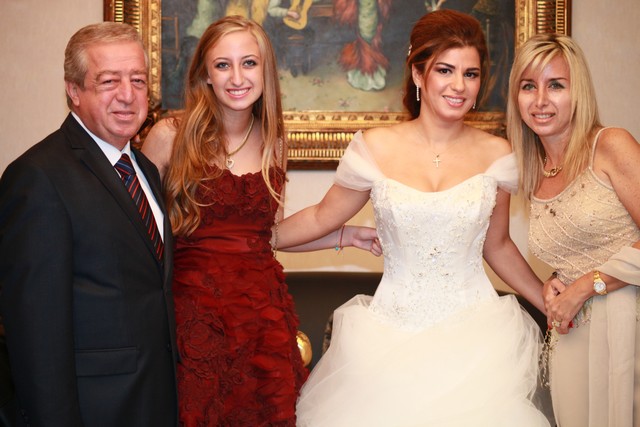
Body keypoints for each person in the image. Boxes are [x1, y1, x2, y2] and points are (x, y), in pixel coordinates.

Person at [273, 9, 551, 426]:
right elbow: (320, 217)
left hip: (476, 341)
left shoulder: (499, 155)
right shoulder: (374, 148)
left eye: (471, 74)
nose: (459, 86)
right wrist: (256, 237)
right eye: (445, 70)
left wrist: (548, 301)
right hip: (388, 337)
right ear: (418, 74)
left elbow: (497, 245)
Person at [141, 15, 378, 426]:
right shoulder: (169, 136)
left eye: (248, 63)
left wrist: (346, 235)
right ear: (206, 74)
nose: (237, 77)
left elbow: (267, 236)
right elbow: (135, 233)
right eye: (223, 65)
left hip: (260, 320)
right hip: (190, 319)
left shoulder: (275, 142)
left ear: (265, 70)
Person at [0, 22, 178, 426]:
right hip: (93, 409)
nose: (127, 95)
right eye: (109, 81)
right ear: (74, 91)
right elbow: (35, 332)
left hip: (156, 400)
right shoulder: (38, 177)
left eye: (137, 80)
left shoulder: (145, 169)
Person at [507, 33, 640, 427]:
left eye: (556, 85)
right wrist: (553, 285)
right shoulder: (531, 171)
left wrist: (586, 285)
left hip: (629, 321)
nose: (540, 100)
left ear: (577, 91)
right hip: (571, 333)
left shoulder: (610, 145)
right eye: (528, 86)